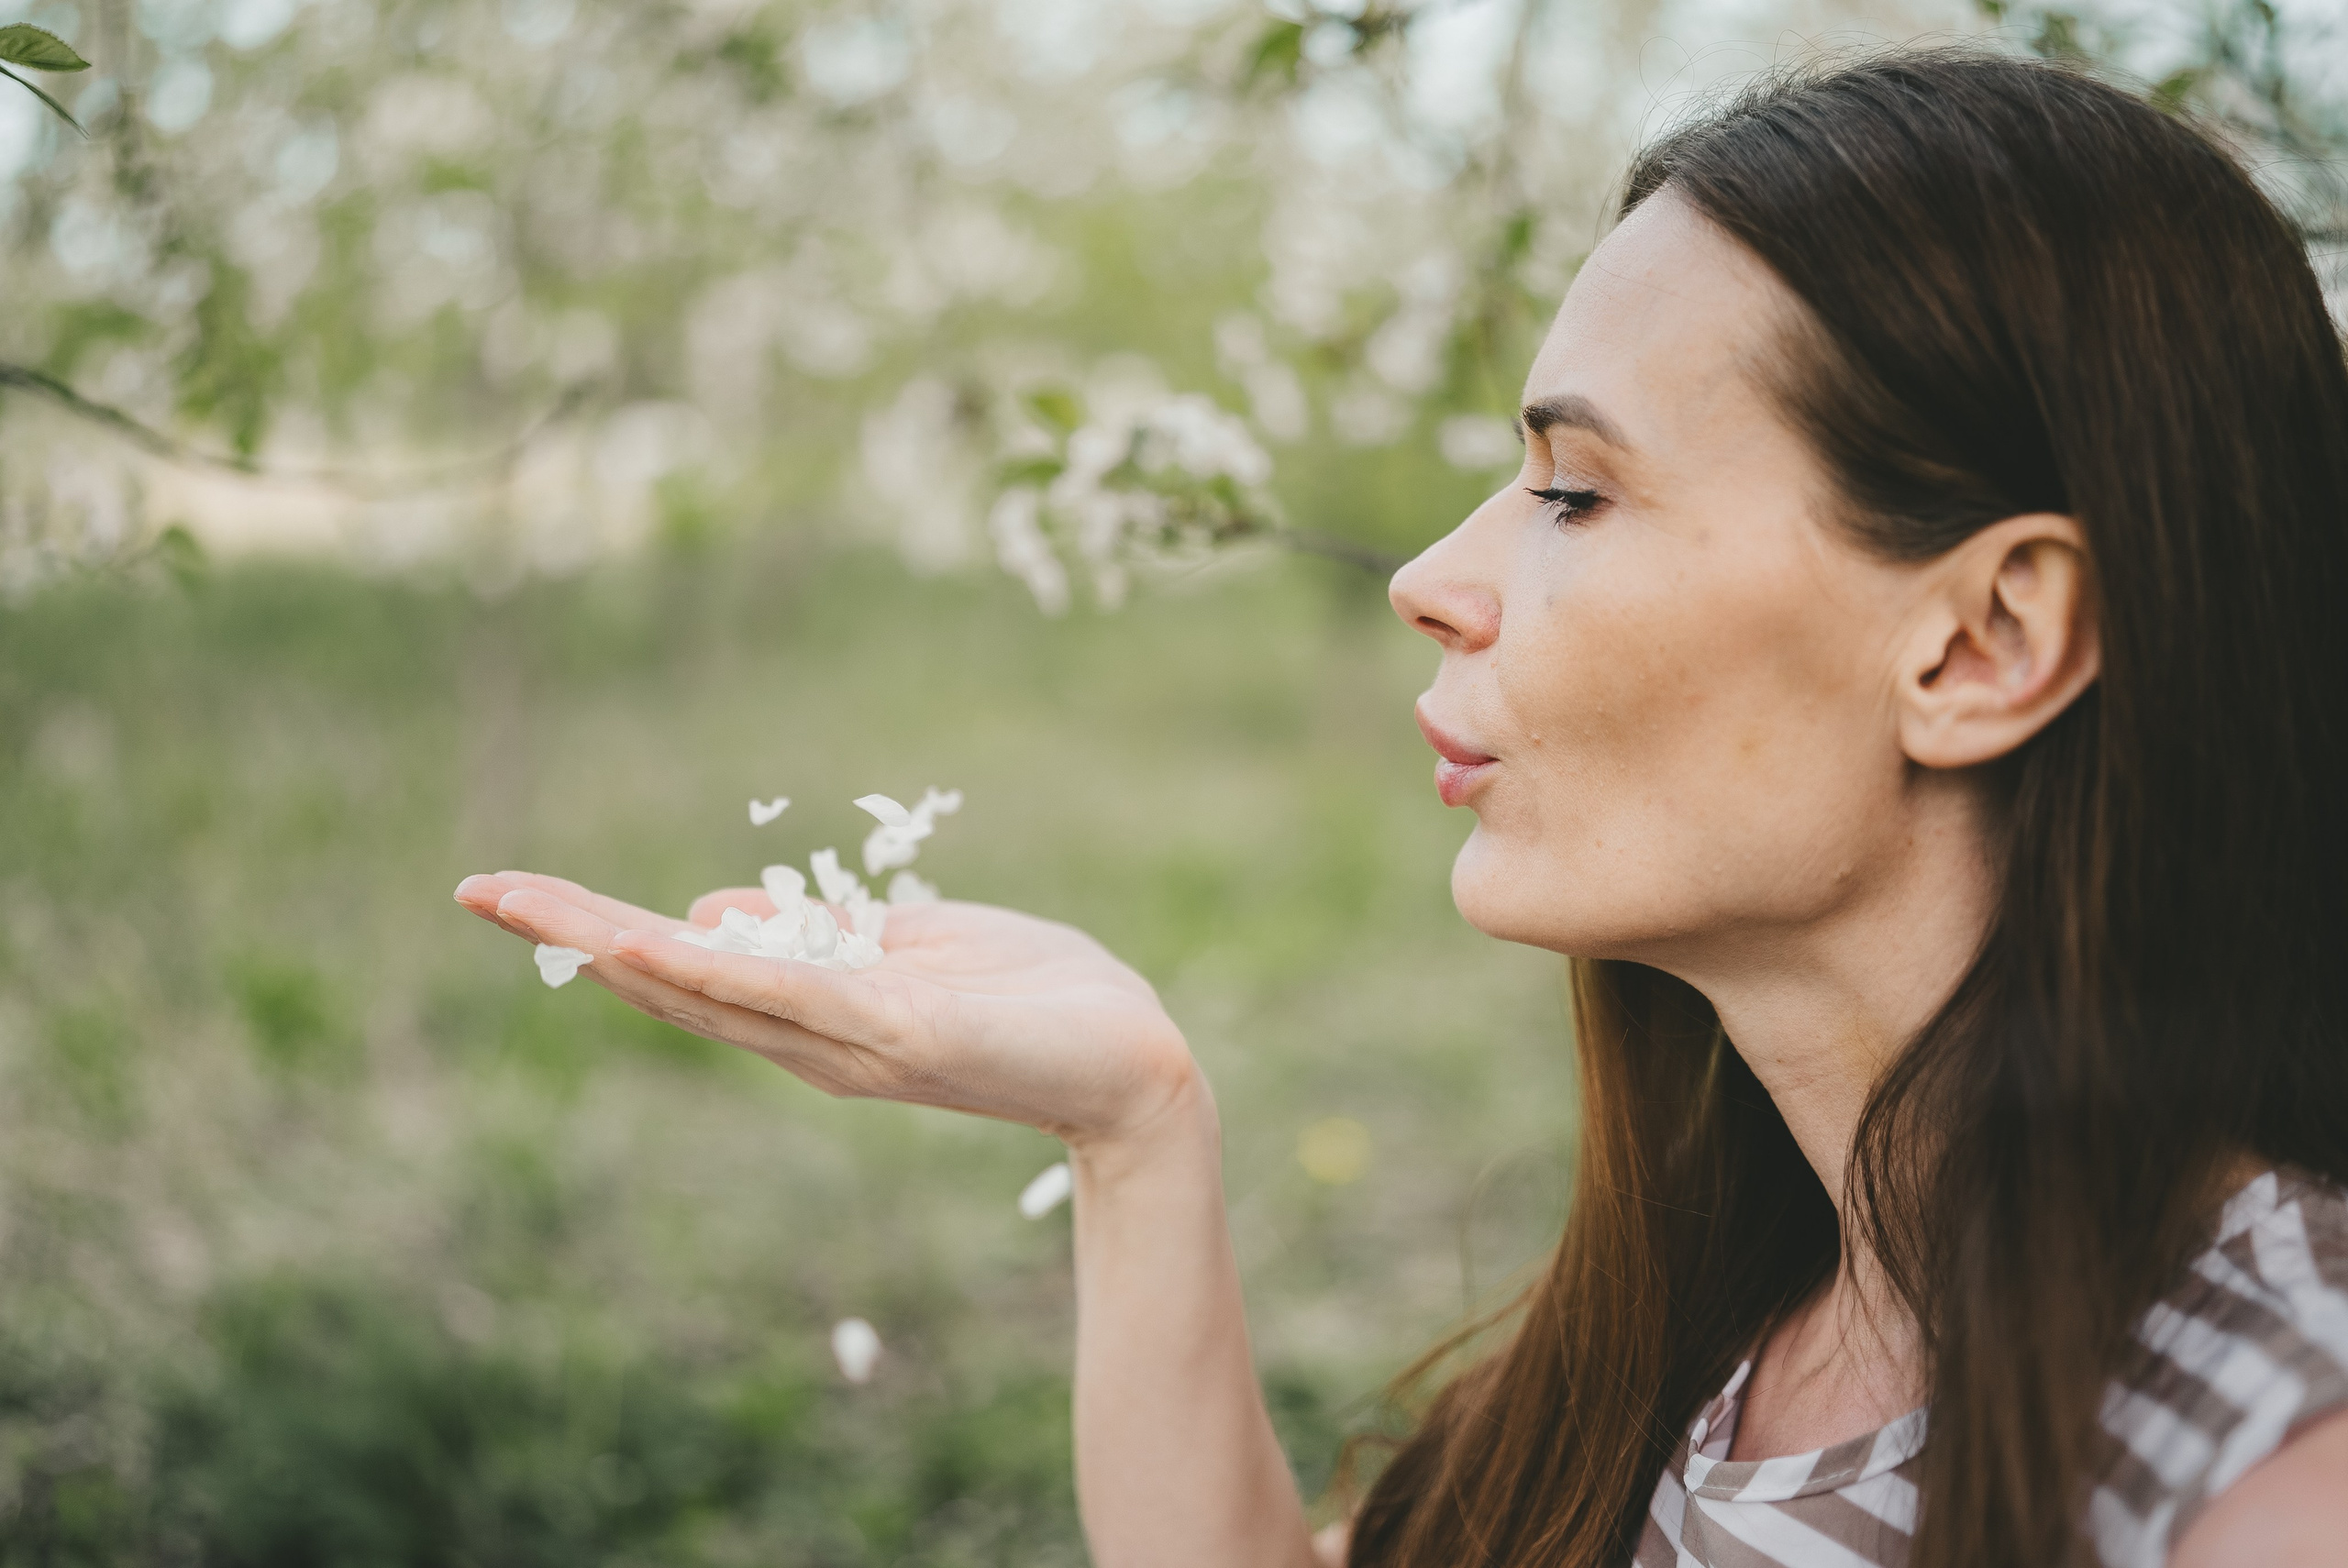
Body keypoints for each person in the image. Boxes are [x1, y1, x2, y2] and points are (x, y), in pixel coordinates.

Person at [455, 49, 2348, 1568]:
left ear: (1982, 640)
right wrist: (1132, 1133)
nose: (1431, 580)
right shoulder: (1716, 1341)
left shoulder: (2269, 1469)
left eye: (1572, 492)